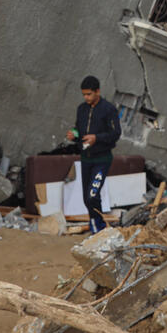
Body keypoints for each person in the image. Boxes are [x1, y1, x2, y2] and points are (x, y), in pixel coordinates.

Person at [66, 75, 121, 232]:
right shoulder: (81, 109)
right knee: (86, 198)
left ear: (98, 91)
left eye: (89, 94)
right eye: (84, 94)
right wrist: (74, 134)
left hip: (102, 159)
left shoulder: (109, 109)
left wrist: (96, 138)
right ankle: (96, 226)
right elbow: (79, 129)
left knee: (92, 195)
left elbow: (115, 133)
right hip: (85, 159)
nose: (86, 97)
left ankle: (99, 228)